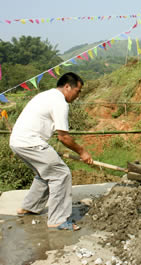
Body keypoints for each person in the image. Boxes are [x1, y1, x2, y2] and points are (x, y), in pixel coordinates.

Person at [9, 72, 92, 231]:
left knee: (45, 173)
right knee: (61, 174)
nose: (78, 95)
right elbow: (64, 137)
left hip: (17, 142)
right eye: (78, 91)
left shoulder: (46, 95)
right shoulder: (60, 102)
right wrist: (83, 152)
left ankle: (29, 207)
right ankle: (58, 220)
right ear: (68, 87)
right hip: (30, 143)